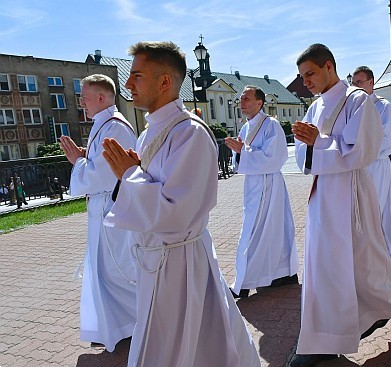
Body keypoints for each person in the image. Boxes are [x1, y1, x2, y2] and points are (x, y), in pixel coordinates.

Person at [101, 41, 260, 367]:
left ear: (164, 82)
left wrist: (129, 175)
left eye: (137, 76)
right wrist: (128, 177)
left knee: (180, 350)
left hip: (180, 265)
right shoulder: (149, 135)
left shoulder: (191, 134)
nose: (128, 84)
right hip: (157, 262)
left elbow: (177, 212)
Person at [289, 43, 391, 367]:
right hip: (323, 194)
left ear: (328, 66)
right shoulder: (315, 107)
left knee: (361, 265)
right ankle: (324, 339)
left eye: (309, 73)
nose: (305, 81)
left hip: (350, 192)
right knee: (324, 266)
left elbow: (361, 149)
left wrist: (316, 143)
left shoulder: (357, 100)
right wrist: (308, 146)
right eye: (302, 76)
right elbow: (301, 155)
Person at [59, 74, 137, 352]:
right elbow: (99, 165)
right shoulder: (103, 125)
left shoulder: (115, 127)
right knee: (104, 270)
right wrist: (84, 157)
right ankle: (114, 326)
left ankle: (134, 324)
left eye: (85, 96)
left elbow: (102, 177)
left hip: (112, 208)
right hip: (103, 209)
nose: (81, 102)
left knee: (118, 270)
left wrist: (78, 161)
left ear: (101, 98)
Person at [224, 85, 299, 299]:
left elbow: (275, 158)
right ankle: (279, 274)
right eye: (241, 99)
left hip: (269, 185)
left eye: (247, 98)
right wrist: (239, 154)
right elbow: (240, 159)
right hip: (253, 186)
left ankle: (246, 281)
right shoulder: (246, 128)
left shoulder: (271, 125)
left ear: (259, 103)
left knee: (258, 231)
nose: (242, 102)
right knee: (266, 230)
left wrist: (243, 152)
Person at [351, 66, 391, 249]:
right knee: (361, 207)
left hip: (375, 163)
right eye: (353, 83)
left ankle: (375, 247)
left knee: (375, 205)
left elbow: (385, 139)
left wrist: (359, 152)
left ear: (371, 83)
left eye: (360, 82)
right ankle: (382, 241)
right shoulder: (352, 107)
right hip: (357, 164)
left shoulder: (383, 106)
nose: (356, 86)